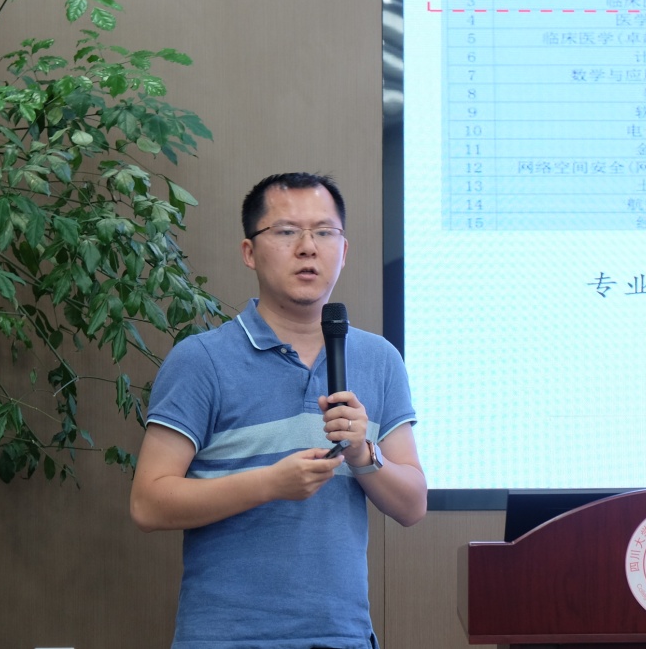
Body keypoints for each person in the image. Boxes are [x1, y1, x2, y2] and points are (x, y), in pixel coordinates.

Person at [130, 172, 427, 649]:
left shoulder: (379, 360)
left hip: (343, 636)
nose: (308, 248)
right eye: (287, 231)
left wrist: (363, 454)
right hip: (227, 639)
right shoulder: (202, 360)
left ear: (344, 251)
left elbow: (412, 505)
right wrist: (269, 484)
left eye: (324, 232)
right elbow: (148, 503)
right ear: (249, 251)